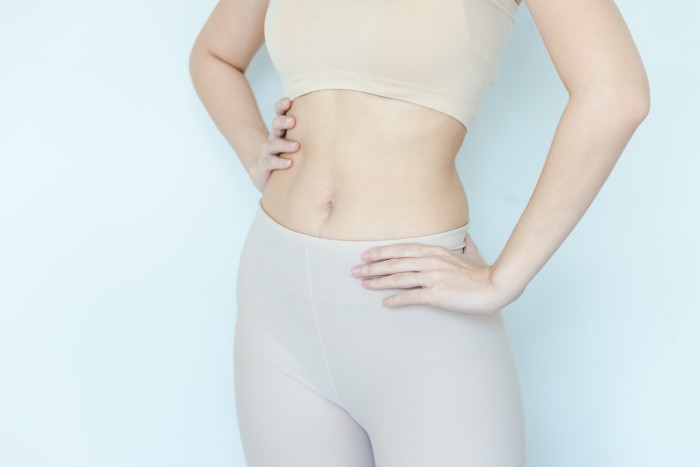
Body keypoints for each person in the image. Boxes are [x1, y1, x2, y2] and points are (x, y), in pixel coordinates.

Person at [189, 0, 649, 465]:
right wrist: (254, 151)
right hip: (275, 302)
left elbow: (615, 93)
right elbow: (215, 55)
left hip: (417, 309)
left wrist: (504, 279)